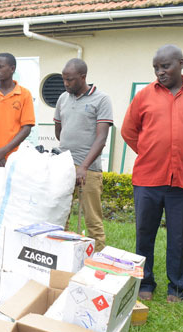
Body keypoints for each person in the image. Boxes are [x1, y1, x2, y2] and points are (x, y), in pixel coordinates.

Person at [121, 44, 183, 302]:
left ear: (181, 64)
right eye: (156, 68)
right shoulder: (144, 96)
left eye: (165, 66)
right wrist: (150, 151)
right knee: (144, 235)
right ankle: (145, 284)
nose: (160, 72)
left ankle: (177, 288)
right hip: (148, 179)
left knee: (178, 238)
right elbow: (128, 130)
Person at [54, 58, 113, 251]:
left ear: (82, 77)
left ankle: (96, 263)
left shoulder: (101, 99)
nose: (66, 84)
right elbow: (59, 130)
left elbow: (101, 138)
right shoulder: (63, 98)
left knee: (92, 221)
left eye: (70, 80)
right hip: (64, 168)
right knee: (61, 217)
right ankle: (61, 256)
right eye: (64, 79)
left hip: (89, 171)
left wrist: (84, 166)